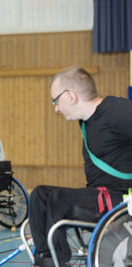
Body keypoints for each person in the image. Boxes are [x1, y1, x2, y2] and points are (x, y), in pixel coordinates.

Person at [29, 66, 132, 267]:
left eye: (56, 101)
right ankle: (45, 257)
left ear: (71, 96)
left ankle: (55, 259)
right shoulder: (87, 123)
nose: (56, 108)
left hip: (121, 198)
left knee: (58, 199)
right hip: (100, 196)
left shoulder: (115, 110)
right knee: (39, 194)